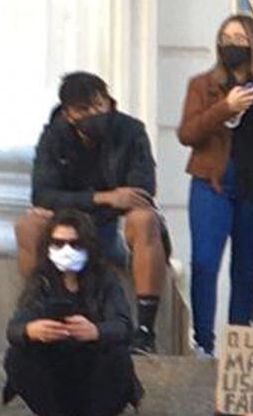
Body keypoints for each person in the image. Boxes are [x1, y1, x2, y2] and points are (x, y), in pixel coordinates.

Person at [14, 72, 167, 353]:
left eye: (100, 105)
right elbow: (43, 194)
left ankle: (145, 331)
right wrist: (104, 197)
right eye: (84, 109)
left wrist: (103, 203)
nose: (95, 114)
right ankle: (35, 312)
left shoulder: (131, 131)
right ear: (69, 114)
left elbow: (143, 190)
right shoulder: (54, 136)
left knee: (145, 218)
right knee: (27, 224)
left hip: (115, 226)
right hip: (72, 226)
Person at [176, 14, 253, 356]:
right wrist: (225, 107)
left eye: (239, 38)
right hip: (213, 182)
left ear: (252, 43)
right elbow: (187, 133)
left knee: (246, 268)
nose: (231, 44)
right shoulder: (203, 84)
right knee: (205, 262)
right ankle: (203, 342)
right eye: (226, 38)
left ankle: (238, 345)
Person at [2, 209, 140, 416]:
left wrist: (95, 331)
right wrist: (32, 330)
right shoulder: (41, 280)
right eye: (58, 243)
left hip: (97, 379)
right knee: (17, 356)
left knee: (116, 353)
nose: (66, 250)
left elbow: (123, 326)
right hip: (55, 379)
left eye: (75, 244)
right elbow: (15, 328)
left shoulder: (105, 279)